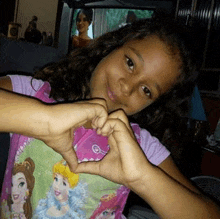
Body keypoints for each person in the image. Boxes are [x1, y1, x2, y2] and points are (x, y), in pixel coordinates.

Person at [1, 16, 220, 219]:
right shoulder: (33, 94)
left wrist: (142, 178)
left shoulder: (137, 146)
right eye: (130, 63)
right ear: (112, 46)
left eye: (146, 90)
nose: (126, 87)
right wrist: (44, 121)